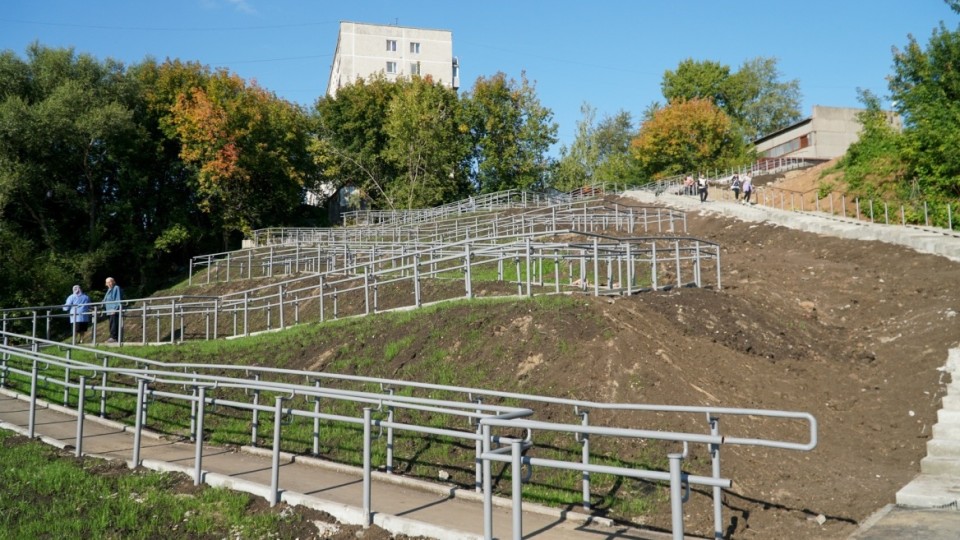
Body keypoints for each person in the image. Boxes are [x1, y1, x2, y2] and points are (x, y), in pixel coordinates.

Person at [103, 277, 123, 343]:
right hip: (109, 310)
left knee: (114, 324)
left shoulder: (116, 288)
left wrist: (115, 309)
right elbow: (105, 300)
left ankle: (114, 338)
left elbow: (118, 299)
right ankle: (112, 337)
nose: (108, 284)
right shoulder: (109, 289)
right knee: (111, 324)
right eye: (107, 282)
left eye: (110, 282)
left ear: (113, 282)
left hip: (113, 310)